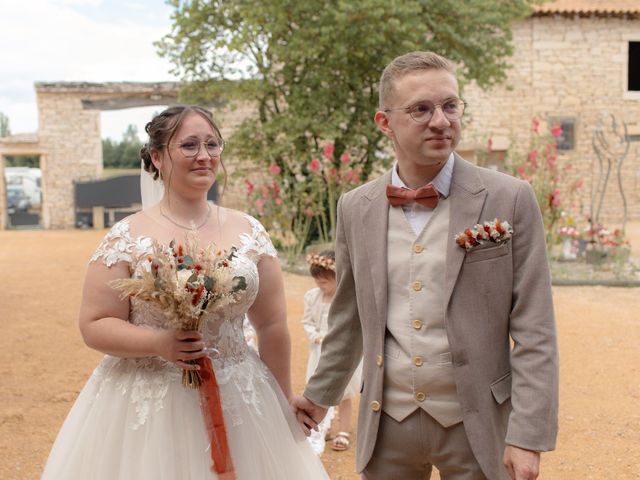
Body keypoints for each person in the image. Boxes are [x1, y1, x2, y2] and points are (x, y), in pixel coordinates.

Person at [293, 51, 559, 480]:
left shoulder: (509, 197)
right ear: (385, 122)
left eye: (450, 105)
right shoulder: (355, 207)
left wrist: (527, 435)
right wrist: (319, 394)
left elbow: (535, 327)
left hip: (478, 423)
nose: (441, 120)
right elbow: (349, 315)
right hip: (388, 423)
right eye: (421, 109)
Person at [41, 105, 329, 480]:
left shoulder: (249, 231)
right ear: (158, 157)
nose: (204, 155)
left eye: (212, 144)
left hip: (240, 394)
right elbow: (94, 324)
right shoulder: (127, 236)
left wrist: (282, 397)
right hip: (148, 401)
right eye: (189, 145)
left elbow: (272, 325)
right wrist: (160, 343)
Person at [302, 251, 362, 454]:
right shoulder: (312, 297)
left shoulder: (346, 299)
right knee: (318, 391)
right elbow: (307, 321)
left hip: (342, 351)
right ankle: (321, 427)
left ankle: (343, 430)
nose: (321, 285)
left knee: (344, 394)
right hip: (319, 350)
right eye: (317, 281)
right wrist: (315, 336)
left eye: (326, 281)